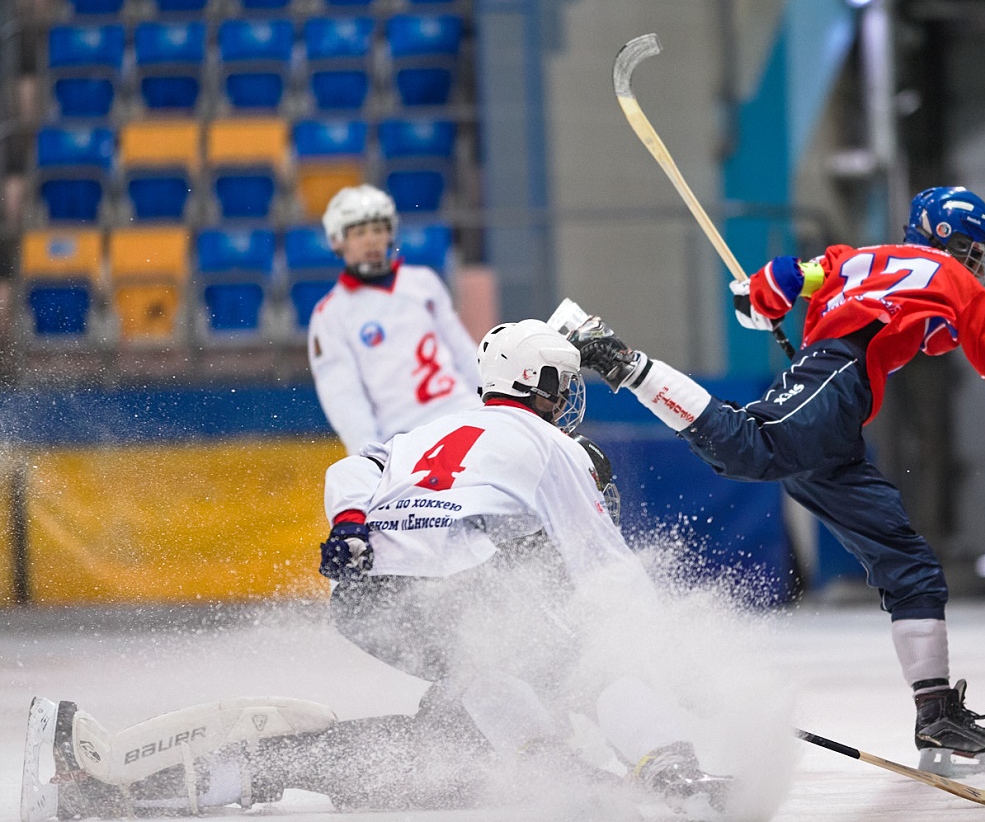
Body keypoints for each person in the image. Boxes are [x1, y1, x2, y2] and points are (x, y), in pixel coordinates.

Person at [22, 320, 734, 821]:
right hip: (439, 591)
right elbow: (604, 570)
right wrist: (668, 660)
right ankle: (672, 776)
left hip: (368, 595)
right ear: (542, 384)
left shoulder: (439, 430)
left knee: (428, 732)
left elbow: (354, 466)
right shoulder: (555, 453)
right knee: (584, 670)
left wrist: (353, 524)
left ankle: (167, 781)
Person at [553, 185, 985, 777]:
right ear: (945, 239)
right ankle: (617, 356)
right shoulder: (953, 281)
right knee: (752, 449)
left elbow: (784, 279)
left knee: (908, 563)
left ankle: (936, 713)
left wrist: (759, 300)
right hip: (838, 376)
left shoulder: (855, 258)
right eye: (974, 251)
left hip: (838, 416)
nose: (978, 267)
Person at [308, 183, 482, 455]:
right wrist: (370, 456)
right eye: (359, 232)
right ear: (337, 240)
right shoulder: (330, 314)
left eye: (378, 229)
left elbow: (463, 352)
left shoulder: (423, 281)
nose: (371, 240)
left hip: (467, 413)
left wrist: (495, 404)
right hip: (406, 440)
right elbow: (343, 396)